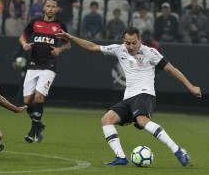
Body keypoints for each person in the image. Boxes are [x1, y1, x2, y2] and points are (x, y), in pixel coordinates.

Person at [55, 26, 201, 166]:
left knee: (142, 121)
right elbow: (93, 47)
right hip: (128, 98)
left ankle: (177, 150)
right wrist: (70, 37)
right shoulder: (119, 50)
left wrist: (190, 86)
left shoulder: (150, 52)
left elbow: (171, 69)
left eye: (134, 43)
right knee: (106, 119)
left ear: (140, 40)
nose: (131, 46)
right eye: (127, 43)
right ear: (123, 41)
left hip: (145, 94)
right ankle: (121, 157)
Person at [19, 0, 71, 143]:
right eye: (48, 6)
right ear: (44, 8)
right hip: (34, 64)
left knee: (39, 97)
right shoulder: (35, 22)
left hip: (49, 65)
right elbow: (22, 37)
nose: (50, 9)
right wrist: (24, 44)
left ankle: (32, 132)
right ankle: (39, 125)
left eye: (53, 6)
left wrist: (59, 50)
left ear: (57, 9)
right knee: (27, 101)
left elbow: (68, 45)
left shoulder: (60, 25)